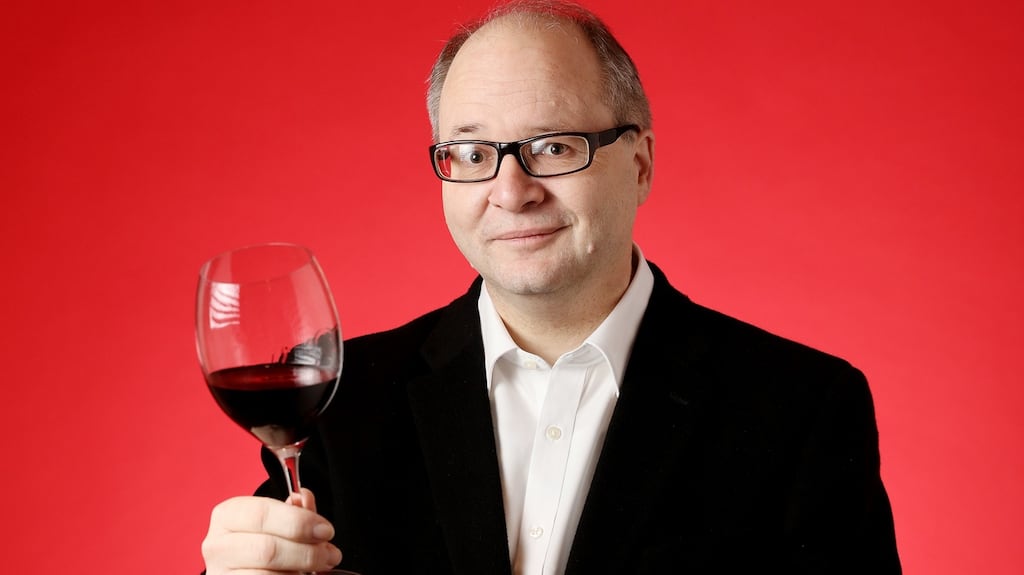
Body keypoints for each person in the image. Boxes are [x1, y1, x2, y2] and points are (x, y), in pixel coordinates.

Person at [201, 1, 902, 573]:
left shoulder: (802, 408)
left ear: (640, 164)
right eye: (472, 153)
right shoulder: (341, 400)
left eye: (555, 145)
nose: (511, 189)